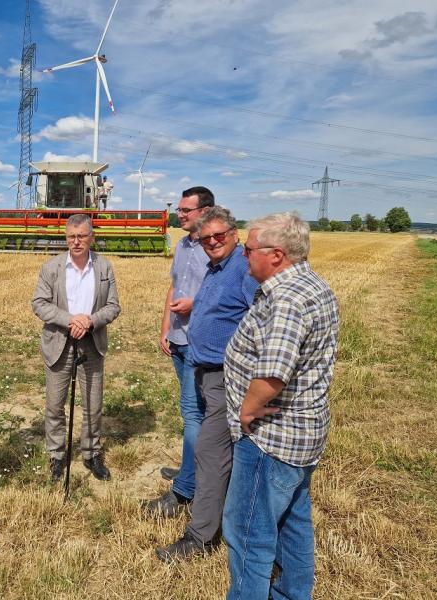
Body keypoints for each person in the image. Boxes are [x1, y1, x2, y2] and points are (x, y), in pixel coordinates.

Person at [222, 212, 339, 599]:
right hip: (303, 434)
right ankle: (292, 592)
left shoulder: (286, 300)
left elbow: (272, 375)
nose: (244, 255)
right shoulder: (311, 285)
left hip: (270, 439)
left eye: (249, 249)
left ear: (276, 255)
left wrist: (246, 410)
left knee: (247, 533)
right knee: (293, 522)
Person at [156, 206, 258, 562]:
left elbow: (259, 318)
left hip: (226, 376)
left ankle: (199, 539)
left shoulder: (244, 269)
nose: (212, 242)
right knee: (217, 451)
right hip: (205, 371)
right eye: (206, 237)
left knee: (210, 452)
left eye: (220, 235)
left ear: (235, 234)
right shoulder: (217, 268)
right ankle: (220, 516)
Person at [32, 213, 121, 482]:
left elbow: (114, 306)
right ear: (66, 238)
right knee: (55, 404)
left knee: (93, 404)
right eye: (71, 236)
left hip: (92, 343)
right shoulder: (52, 268)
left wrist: (90, 321)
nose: (76, 241)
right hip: (59, 342)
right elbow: (39, 303)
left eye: (82, 236)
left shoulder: (104, 267)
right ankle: (57, 455)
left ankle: (91, 454)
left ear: (91, 237)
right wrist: (71, 320)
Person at [143, 186, 214, 518]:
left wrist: (194, 305)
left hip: (200, 343)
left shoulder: (216, 248)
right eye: (180, 209)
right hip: (178, 339)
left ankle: (185, 489)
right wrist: (165, 326)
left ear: (205, 211)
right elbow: (175, 287)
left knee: (193, 415)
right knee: (193, 414)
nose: (179, 214)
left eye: (187, 210)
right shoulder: (184, 246)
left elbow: (224, 295)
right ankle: (192, 469)